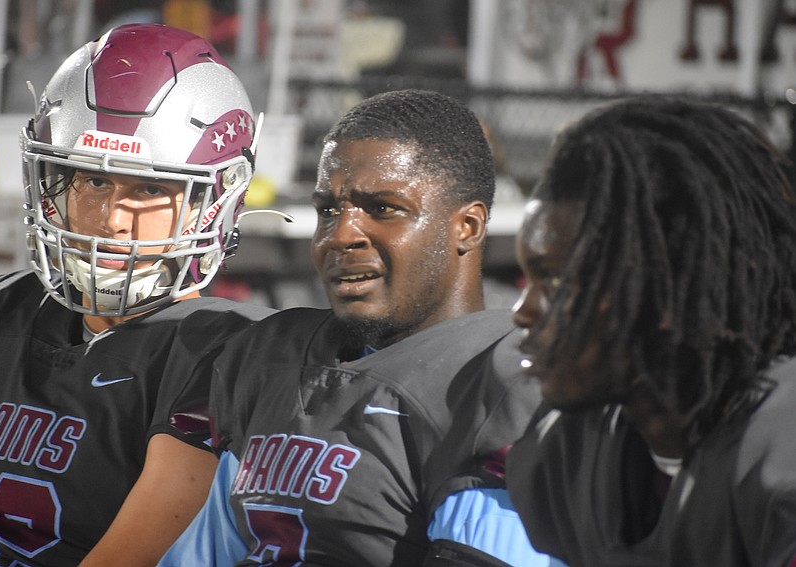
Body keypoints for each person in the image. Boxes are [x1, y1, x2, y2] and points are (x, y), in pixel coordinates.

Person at [160, 89, 558, 566]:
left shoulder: (497, 382)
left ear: (467, 227)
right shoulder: (269, 358)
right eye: (328, 209)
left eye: (384, 208)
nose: (341, 235)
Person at [0, 23, 274, 566]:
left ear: (213, 202)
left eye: (149, 187)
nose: (112, 220)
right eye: (94, 181)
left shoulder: (215, 356)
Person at [506, 96, 796, 566]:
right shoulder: (563, 451)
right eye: (527, 279)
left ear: (667, 283)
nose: (523, 310)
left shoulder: (780, 443)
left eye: (555, 281)